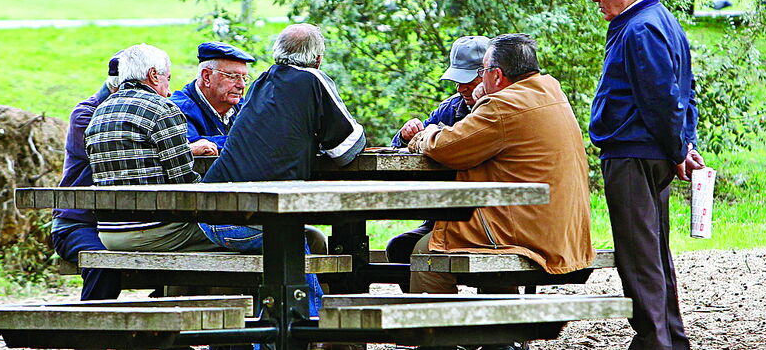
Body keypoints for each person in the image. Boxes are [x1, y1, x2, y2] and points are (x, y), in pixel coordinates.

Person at [407, 33, 594, 295]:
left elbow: (445, 147)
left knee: (425, 252)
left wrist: (424, 135)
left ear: (495, 75)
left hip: (526, 234)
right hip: (559, 231)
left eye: (482, 71)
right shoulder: (550, 91)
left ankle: (434, 333)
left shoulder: (504, 105)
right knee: (463, 236)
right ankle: (495, 335)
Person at [200, 23, 366, 316]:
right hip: (251, 221)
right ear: (318, 58)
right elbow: (346, 149)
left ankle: (273, 338)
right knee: (294, 265)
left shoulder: (261, 82)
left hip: (212, 215)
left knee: (290, 248)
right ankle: (306, 334)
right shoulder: (313, 80)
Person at [588, 0, 705, 350]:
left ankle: (654, 342)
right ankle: (671, 339)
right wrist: (683, 145)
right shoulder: (665, 23)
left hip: (634, 154)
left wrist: (678, 150)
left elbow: (663, 99)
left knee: (639, 257)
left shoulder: (640, 28)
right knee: (654, 252)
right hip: (651, 152)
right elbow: (686, 95)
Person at [85, 43, 221, 252]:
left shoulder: (101, 112)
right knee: (252, 234)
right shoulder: (162, 109)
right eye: (168, 78)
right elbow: (186, 185)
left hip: (108, 232)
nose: (168, 91)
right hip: (157, 229)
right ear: (154, 75)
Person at [385, 35, 490, 268]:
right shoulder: (450, 107)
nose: (461, 88)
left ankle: (497, 297)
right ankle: (424, 301)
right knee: (399, 248)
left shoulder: (502, 109)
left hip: (488, 218)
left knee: (424, 252)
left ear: (488, 75)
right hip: (441, 218)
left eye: (468, 80)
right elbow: (400, 149)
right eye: (457, 80)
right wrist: (404, 136)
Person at [50, 53, 124, 301]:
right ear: (117, 86)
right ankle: (91, 337)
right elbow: (114, 157)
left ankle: (169, 335)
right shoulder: (85, 115)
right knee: (104, 264)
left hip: (119, 226)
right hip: (78, 223)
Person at [171, 41, 256, 156]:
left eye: (244, 78)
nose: (241, 85)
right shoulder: (177, 110)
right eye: (233, 77)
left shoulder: (243, 105)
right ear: (206, 77)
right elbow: (186, 145)